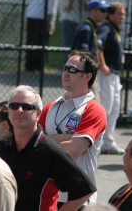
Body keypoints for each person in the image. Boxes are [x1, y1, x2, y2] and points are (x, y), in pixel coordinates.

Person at [0, 85, 96, 211]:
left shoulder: (50, 151)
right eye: (14, 106)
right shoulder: (0, 147)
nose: (19, 110)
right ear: (9, 112)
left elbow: (84, 190)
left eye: (27, 107)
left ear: (38, 114)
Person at [39, 50, 106, 206]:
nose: (66, 73)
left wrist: (45, 142)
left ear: (88, 76)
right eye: (65, 68)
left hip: (77, 197)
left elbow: (74, 150)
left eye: (73, 70)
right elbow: (34, 143)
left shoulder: (94, 110)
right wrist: (67, 138)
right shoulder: (50, 106)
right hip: (48, 194)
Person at [96, 1, 126, 155]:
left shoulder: (114, 30)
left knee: (114, 109)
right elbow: (98, 45)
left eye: (123, 14)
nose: (123, 17)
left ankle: (108, 142)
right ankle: (99, 141)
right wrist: (103, 65)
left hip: (115, 75)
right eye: (119, 13)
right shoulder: (105, 28)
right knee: (106, 109)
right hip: (107, 75)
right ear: (110, 14)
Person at [25, 0, 61, 72]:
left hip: (31, 16)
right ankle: (37, 67)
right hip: (41, 19)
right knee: (41, 43)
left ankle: (30, 66)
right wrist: (50, 23)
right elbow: (50, 9)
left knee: (31, 42)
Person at [59, 0, 82, 66]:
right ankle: (71, 65)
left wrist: (67, 8)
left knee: (67, 44)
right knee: (71, 44)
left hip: (68, 19)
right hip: (73, 19)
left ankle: (66, 65)